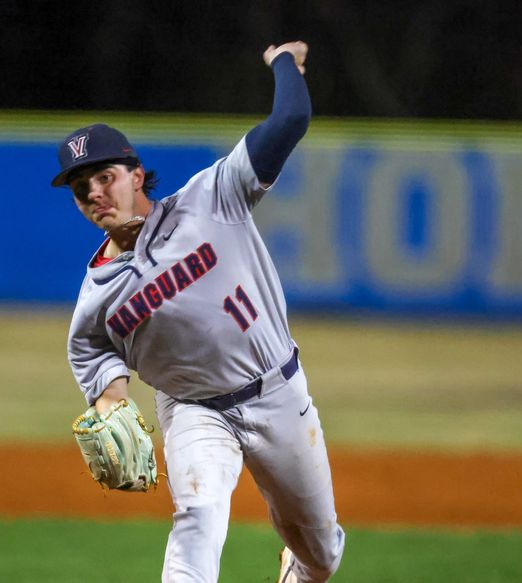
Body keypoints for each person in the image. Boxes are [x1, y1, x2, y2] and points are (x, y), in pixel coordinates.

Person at [51, 41, 344, 583]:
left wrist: (283, 61)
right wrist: (113, 405)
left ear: (136, 175)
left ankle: (294, 568)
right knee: (198, 519)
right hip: (194, 412)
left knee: (322, 559)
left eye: (104, 176)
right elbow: (93, 360)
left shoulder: (213, 197)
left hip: (278, 392)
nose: (94, 192)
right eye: (80, 187)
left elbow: (292, 117)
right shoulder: (97, 299)